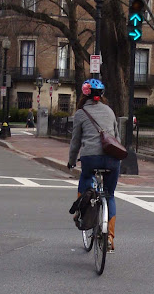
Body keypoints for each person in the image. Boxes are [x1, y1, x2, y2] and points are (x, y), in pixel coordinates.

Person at [67, 79, 120, 253]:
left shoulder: (81, 113)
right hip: (112, 159)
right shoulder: (110, 112)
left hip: (90, 158)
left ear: (85, 94)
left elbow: (75, 142)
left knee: (85, 178)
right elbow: (117, 138)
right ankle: (110, 237)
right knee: (110, 195)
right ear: (101, 95)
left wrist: (72, 160)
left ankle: (81, 214)